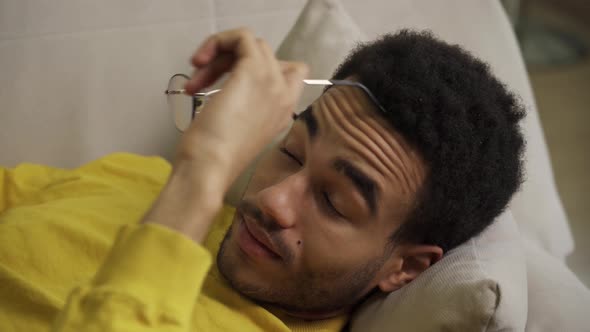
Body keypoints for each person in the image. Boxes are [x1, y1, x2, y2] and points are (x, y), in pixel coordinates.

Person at [0, 28, 525, 331]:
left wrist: (203, 172)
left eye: (335, 203)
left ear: (404, 267)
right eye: (292, 151)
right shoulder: (139, 179)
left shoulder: (188, 185)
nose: (273, 200)